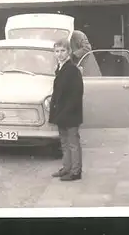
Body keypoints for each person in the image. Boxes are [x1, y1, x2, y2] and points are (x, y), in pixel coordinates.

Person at [48, 38, 84, 181]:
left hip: (70, 113)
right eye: (57, 51)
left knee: (73, 142)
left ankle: (76, 171)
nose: (60, 54)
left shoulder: (72, 69)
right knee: (64, 141)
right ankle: (67, 167)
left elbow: (77, 93)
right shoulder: (60, 68)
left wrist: (66, 111)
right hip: (61, 112)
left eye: (63, 51)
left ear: (69, 52)